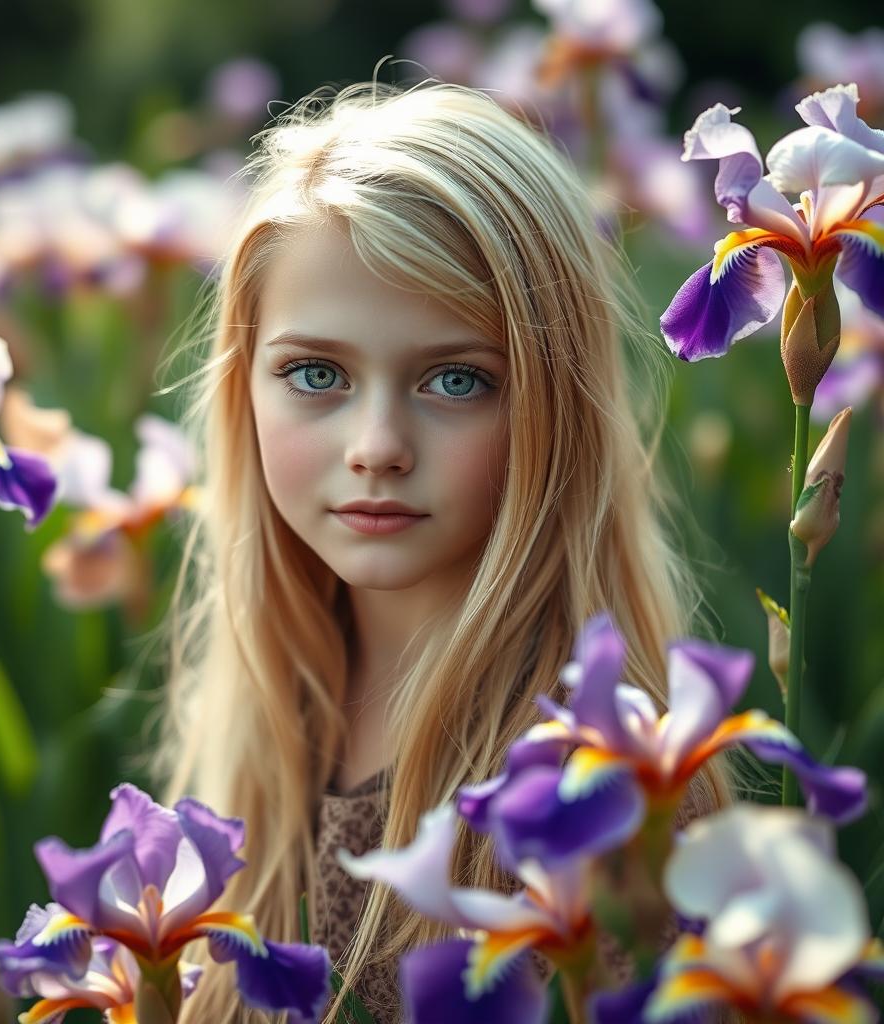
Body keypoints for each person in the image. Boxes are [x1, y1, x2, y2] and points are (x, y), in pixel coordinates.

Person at [156, 78, 731, 1023]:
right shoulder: (266, 713)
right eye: (315, 373)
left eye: (456, 379)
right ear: (243, 387)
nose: (377, 444)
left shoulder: (601, 798)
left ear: (555, 406)